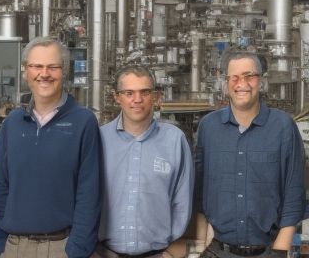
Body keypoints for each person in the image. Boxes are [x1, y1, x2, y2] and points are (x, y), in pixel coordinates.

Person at [0, 36, 101, 258]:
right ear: (25, 71)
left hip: (62, 247)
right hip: (15, 247)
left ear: (64, 71)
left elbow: (89, 192)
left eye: (53, 67)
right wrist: (2, 244)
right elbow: (1, 186)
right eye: (37, 66)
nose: (44, 74)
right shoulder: (11, 123)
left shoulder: (84, 121)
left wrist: (76, 251)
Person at [195, 50, 305, 258]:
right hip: (218, 251)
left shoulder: (283, 126)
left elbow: (294, 191)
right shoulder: (208, 128)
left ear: (261, 81)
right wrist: (201, 245)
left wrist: (280, 250)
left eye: (249, 76)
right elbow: (199, 193)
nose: (241, 83)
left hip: (268, 251)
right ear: (226, 82)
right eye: (234, 77)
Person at [95, 65, 193, 258]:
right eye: (129, 93)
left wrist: (169, 253)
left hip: (158, 253)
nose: (137, 100)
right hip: (104, 253)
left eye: (144, 92)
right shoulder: (98, 139)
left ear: (155, 96)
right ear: (117, 97)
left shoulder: (174, 140)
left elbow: (182, 201)